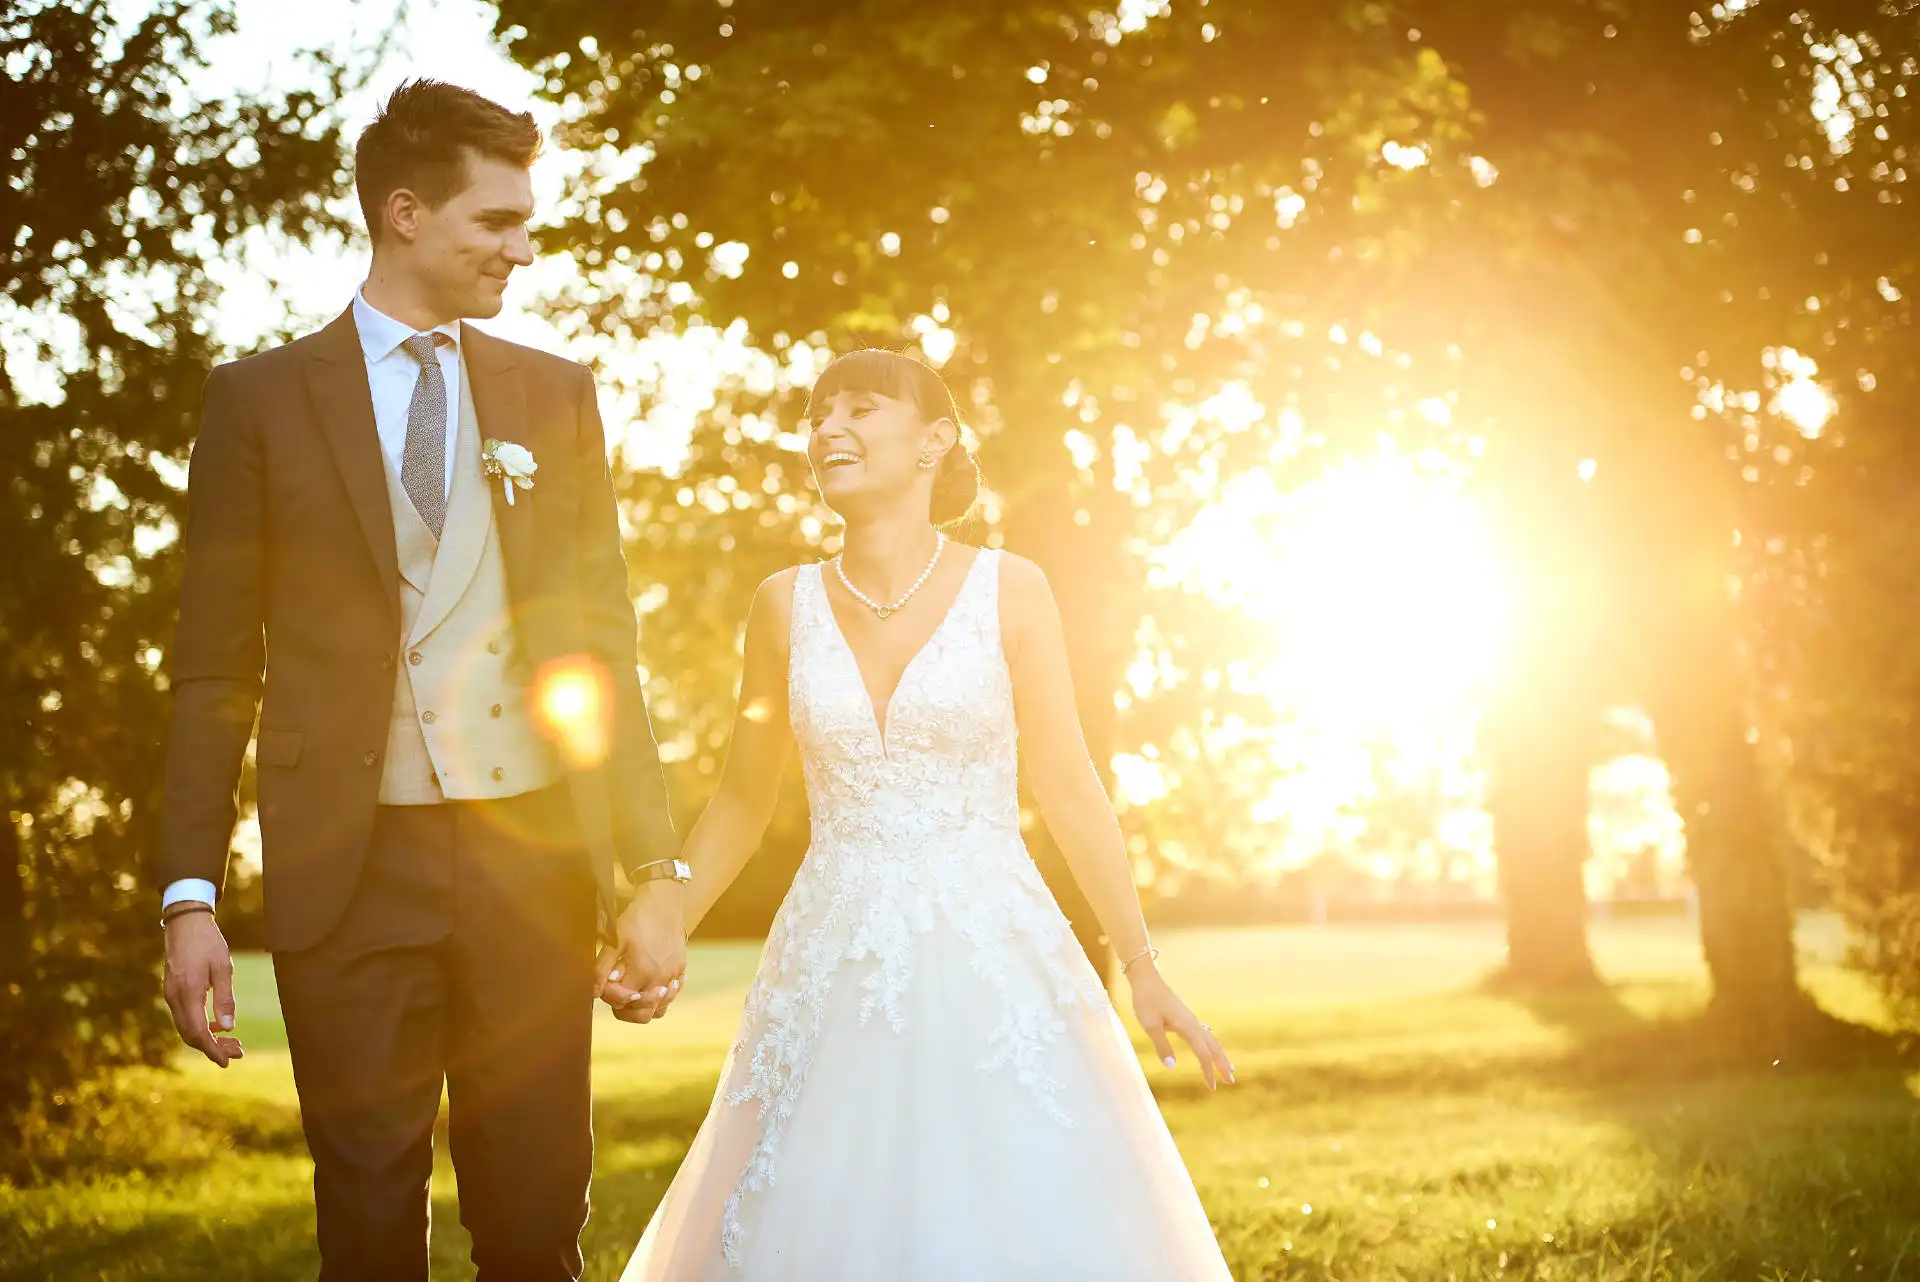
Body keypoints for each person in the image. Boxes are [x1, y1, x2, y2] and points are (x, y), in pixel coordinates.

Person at [156, 80, 687, 1281]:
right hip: (347, 866)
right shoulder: (260, 401)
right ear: (404, 214)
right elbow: (210, 669)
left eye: (526, 219)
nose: (523, 246)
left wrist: (650, 868)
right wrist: (189, 893)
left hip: (532, 852)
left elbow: (604, 647)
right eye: (496, 221)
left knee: (538, 1217)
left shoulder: (556, 395)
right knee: (368, 1223)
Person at [616, 348, 1236, 1280]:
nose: (829, 429)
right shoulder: (781, 607)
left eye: (860, 410)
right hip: (831, 956)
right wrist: (662, 924)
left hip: (991, 948)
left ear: (933, 442)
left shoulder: (1012, 589)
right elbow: (744, 801)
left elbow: (1067, 783)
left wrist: (1142, 965)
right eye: (819, 415)